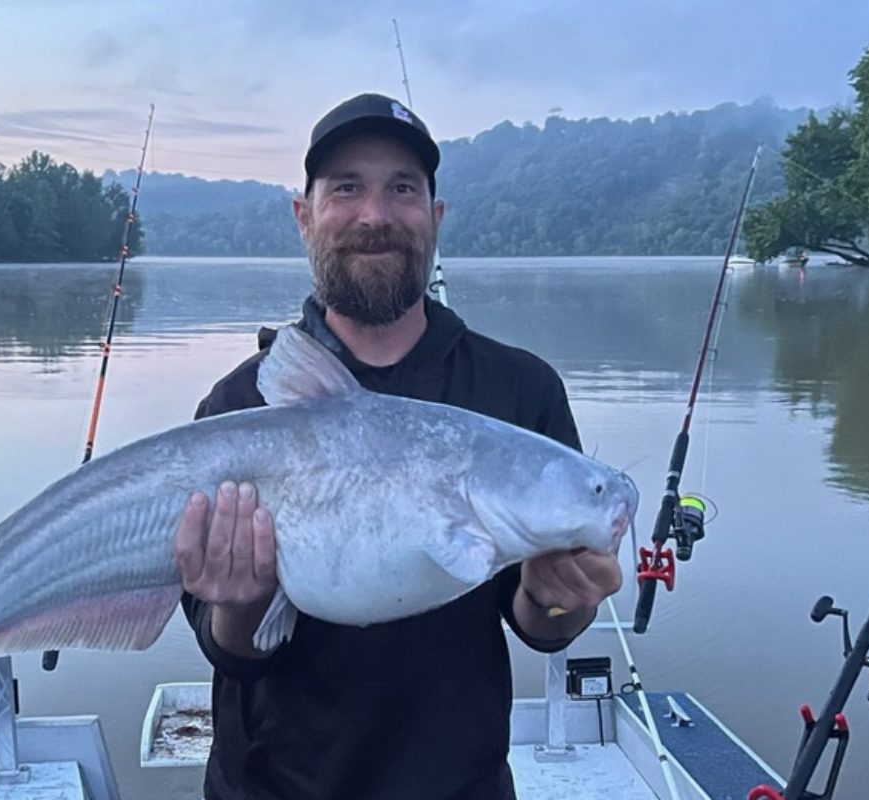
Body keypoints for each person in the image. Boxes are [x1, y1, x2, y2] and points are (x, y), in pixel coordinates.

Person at [172, 92, 623, 800]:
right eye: (346, 188)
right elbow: (225, 645)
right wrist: (239, 602)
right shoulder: (241, 405)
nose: (375, 215)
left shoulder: (518, 388)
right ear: (304, 215)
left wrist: (561, 598)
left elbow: (542, 628)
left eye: (402, 189)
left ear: (435, 217)